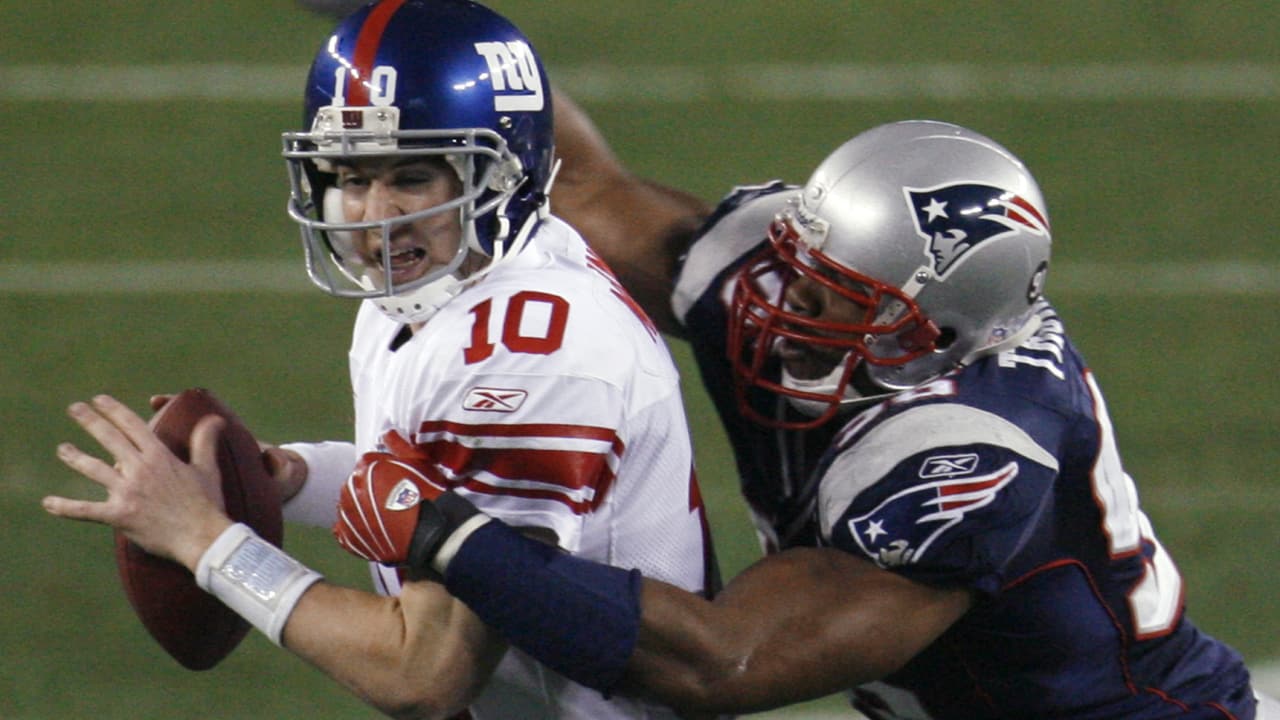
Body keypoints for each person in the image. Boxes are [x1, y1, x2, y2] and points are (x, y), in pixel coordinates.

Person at [318, 97, 1280, 719]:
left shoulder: (968, 460)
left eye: (831, 301)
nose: (781, 308)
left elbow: (716, 663)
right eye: (795, 266)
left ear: (929, 334)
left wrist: (447, 535)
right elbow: (578, 185)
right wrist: (462, 67)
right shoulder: (782, 276)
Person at [42, 2, 718, 719]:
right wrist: (293, 479)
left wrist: (207, 543)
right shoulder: (447, 282)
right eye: (352, 177)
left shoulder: (529, 357)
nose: (371, 215)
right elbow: (434, 497)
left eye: (412, 177)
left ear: (501, 176)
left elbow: (424, 672)